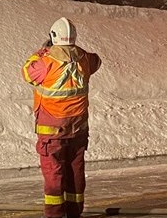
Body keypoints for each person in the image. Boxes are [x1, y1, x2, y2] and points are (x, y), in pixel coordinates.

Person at [22, 18, 102, 218]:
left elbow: (27, 72)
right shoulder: (84, 58)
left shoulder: (46, 62)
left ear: (52, 37)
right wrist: (74, 50)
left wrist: (42, 51)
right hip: (78, 129)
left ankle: (55, 215)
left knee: (54, 175)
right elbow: (97, 61)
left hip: (52, 133)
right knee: (75, 171)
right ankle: (74, 213)